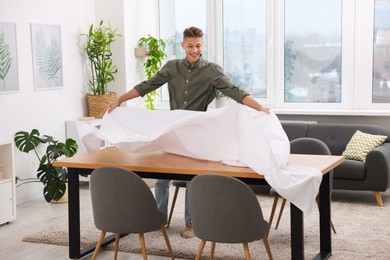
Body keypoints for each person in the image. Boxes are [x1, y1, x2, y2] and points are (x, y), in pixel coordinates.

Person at [108, 26, 270, 239]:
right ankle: (159, 217)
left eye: (199, 46)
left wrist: (259, 107)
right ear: (183, 46)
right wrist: (120, 99)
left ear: (202, 45)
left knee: (192, 178)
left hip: (195, 132)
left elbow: (234, 91)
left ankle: (190, 222)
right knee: (162, 175)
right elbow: (147, 86)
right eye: (191, 46)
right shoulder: (171, 67)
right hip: (172, 130)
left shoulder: (212, 71)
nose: (195, 50)